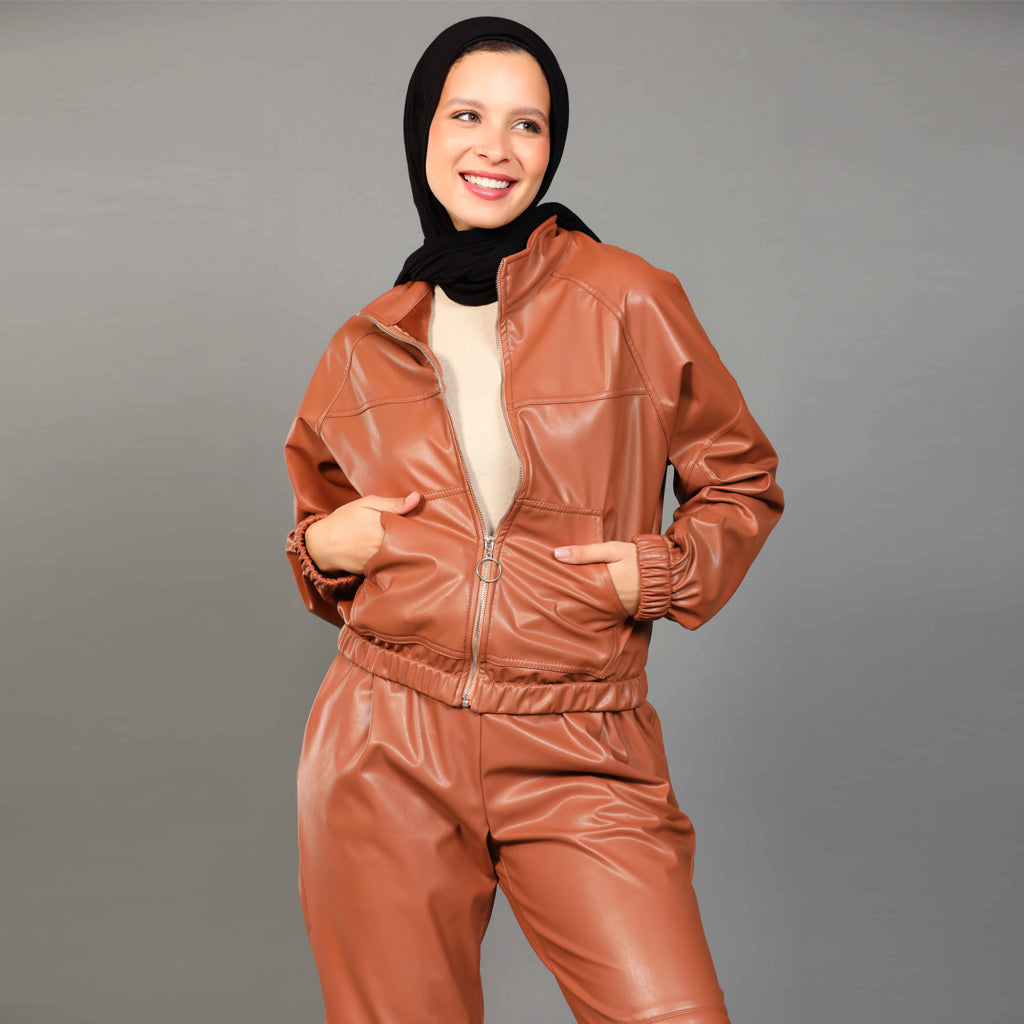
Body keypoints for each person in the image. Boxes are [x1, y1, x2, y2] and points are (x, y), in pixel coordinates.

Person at [284, 16, 783, 1024]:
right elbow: (321, 524)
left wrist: (660, 571)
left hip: (580, 738)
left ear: (552, 147)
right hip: (383, 739)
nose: (496, 148)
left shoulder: (627, 297)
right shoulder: (366, 340)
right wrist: (321, 548)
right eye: (466, 116)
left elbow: (741, 479)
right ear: (423, 133)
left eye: (527, 124)